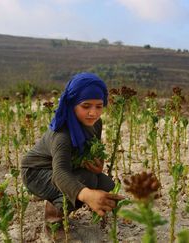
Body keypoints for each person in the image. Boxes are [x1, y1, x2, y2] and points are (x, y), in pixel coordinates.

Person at [20, 73, 123, 234]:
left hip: (67, 166)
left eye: (99, 106)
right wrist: (88, 195)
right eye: (86, 106)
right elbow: (60, 174)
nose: (93, 113)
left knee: (105, 183)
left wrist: (97, 167)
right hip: (36, 173)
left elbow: (91, 150)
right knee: (85, 181)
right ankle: (53, 219)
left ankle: (63, 197)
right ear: (72, 104)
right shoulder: (62, 135)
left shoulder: (96, 124)